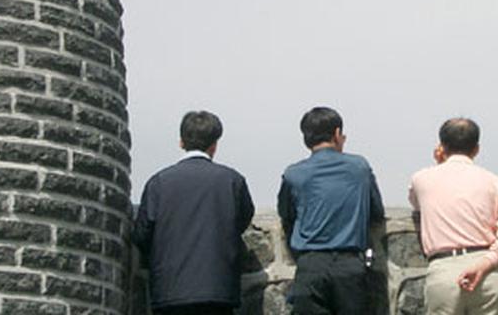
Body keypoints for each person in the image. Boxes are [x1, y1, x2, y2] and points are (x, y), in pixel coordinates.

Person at [133, 111, 255, 315]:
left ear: (181, 142)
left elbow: (142, 234)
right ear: (214, 145)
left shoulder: (159, 183)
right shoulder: (233, 181)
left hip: (170, 293)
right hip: (218, 292)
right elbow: (242, 220)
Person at [277, 106, 385, 314]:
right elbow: (376, 212)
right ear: (337, 134)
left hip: (310, 265)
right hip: (350, 265)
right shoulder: (359, 167)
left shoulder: (294, 174)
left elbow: (286, 215)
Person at [409, 117, 498, 315]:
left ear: (442, 147)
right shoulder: (497, 184)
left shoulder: (421, 180)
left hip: (443, 271)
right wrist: (485, 264)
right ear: (476, 148)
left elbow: (416, 201)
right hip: (489, 270)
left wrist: (439, 164)